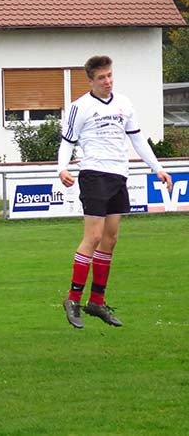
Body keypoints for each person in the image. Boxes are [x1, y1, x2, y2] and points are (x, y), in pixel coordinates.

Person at [58, 55, 172, 329]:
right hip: (94, 175)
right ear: (91, 81)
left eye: (110, 76)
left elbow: (137, 139)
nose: (107, 81)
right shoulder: (80, 107)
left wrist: (157, 167)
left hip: (119, 176)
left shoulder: (124, 104)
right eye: (101, 77)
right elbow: (67, 142)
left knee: (110, 239)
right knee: (94, 236)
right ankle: (73, 299)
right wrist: (61, 168)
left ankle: (96, 301)